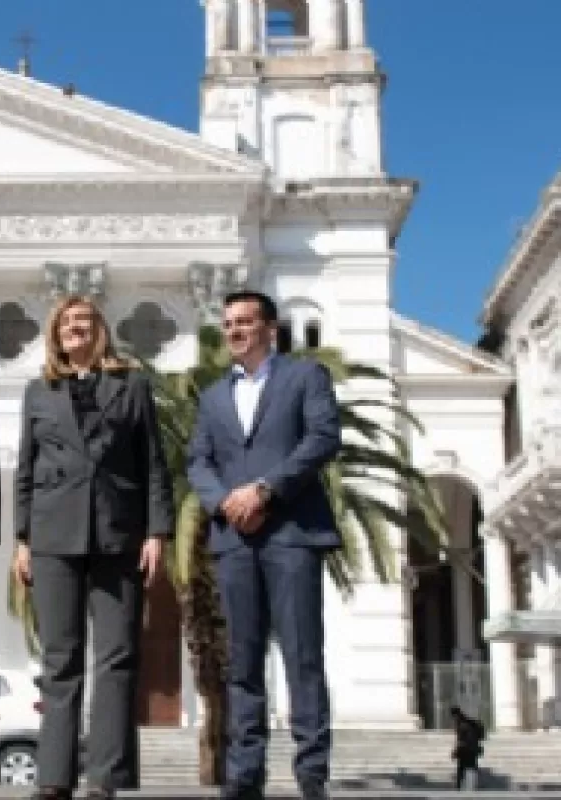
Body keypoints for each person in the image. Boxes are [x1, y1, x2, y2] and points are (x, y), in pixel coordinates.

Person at [12, 295, 174, 800]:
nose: (76, 330)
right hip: (53, 534)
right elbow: (26, 469)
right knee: (60, 657)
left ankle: (105, 776)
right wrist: (22, 539)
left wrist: (157, 532)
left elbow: (152, 463)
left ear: (100, 330)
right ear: (56, 335)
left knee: (117, 654)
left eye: (84, 322)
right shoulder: (40, 392)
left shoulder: (133, 386)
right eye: (67, 324)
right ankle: (54, 776)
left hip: (117, 531)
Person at [187, 290, 342, 800]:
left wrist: (266, 489)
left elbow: (321, 438)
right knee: (243, 659)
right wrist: (225, 500)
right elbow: (198, 462)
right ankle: (245, 772)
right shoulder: (211, 398)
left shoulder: (305, 377)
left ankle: (311, 771)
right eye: (228, 323)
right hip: (234, 539)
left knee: (302, 654)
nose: (234, 331)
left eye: (245, 322)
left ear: (270, 328)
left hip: (291, 534)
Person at [449, 706, 484, 791]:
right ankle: (469, 786)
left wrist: (456, 751)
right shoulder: (470, 722)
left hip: (466, 750)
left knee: (462, 769)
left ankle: (461, 787)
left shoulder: (461, 724)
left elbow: (461, 740)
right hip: (472, 749)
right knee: (471, 768)